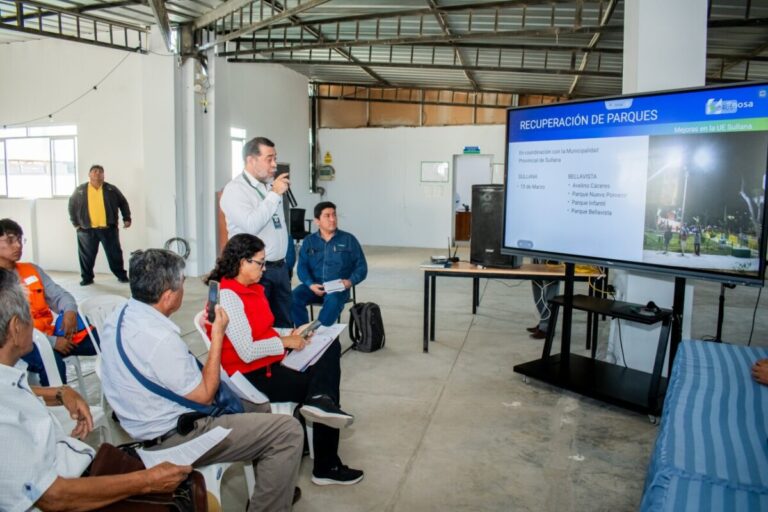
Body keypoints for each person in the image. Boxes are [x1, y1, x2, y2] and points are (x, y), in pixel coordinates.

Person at [100, 248, 303, 511]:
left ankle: (273, 488)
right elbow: (205, 394)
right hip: (175, 435)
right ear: (168, 296)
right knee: (288, 431)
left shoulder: (121, 314)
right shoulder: (160, 340)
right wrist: (218, 334)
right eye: (182, 282)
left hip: (141, 419)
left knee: (260, 407)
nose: (185, 287)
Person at [0, 268, 193, 512]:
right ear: (16, 328)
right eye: (29, 314)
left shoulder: (8, 375)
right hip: (70, 489)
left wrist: (59, 392)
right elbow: (53, 497)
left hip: (77, 466)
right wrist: (146, 482)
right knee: (182, 493)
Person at [205, 234, 364, 486]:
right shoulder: (229, 297)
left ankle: (318, 405)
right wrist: (285, 343)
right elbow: (246, 351)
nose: (264, 268)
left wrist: (289, 333)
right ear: (241, 262)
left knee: (328, 346)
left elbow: (263, 329)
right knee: (322, 383)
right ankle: (326, 463)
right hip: (252, 375)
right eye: (259, 263)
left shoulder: (251, 288)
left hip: (268, 361)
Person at [0, 218, 100, 386]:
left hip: (51, 333)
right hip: (19, 342)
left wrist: (69, 312)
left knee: (101, 341)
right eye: (10, 240)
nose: (18, 245)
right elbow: (7, 330)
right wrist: (52, 343)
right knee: (53, 364)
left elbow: (60, 295)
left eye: (20, 239)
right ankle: (57, 408)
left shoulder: (31, 270)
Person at [220, 137, 293, 327]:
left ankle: (284, 356)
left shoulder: (268, 187)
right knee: (260, 325)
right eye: (269, 159)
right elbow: (251, 225)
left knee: (284, 325)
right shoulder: (235, 190)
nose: (274, 164)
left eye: (275, 158)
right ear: (251, 160)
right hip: (255, 270)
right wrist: (274, 195)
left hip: (279, 268)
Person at [291, 202, 368, 327]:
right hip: (314, 286)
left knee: (333, 301)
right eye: (327, 216)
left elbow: (362, 267)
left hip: (338, 289)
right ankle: (304, 332)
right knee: (293, 298)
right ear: (317, 221)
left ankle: (320, 333)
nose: (332, 219)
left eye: (334, 215)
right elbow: (302, 267)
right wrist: (310, 284)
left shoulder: (348, 239)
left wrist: (349, 282)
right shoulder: (309, 241)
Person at [68, 164, 131, 286]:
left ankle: (121, 275)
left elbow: (123, 203)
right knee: (86, 256)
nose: (97, 173)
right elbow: (71, 206)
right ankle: (87, 278)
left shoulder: (111, 189)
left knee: (115, 254)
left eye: (100, 171)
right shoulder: (80, 190)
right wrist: (75, 223)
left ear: (104, 175)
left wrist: (126, 218)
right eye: (94, 171)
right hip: (86, 230)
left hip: (108, 229)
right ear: (89, 175)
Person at [527, 259, 560, 340]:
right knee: (536, 288)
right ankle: (543, 322)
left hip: (551, 255)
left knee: (551, 295)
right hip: (536, 254)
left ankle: (546, 328)